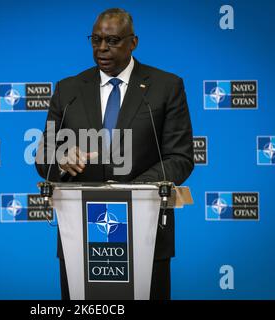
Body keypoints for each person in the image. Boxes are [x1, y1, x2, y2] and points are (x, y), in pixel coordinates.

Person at [36, 8, 194, 300]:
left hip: (146, 231)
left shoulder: (166, 87)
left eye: (112, 41)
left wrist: (130, 194)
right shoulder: (68, 89)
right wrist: (60, 158)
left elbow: (180, 157)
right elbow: (43, 156)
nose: (101, 49)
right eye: (95, 40)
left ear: (133, 42)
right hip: (81, 235)